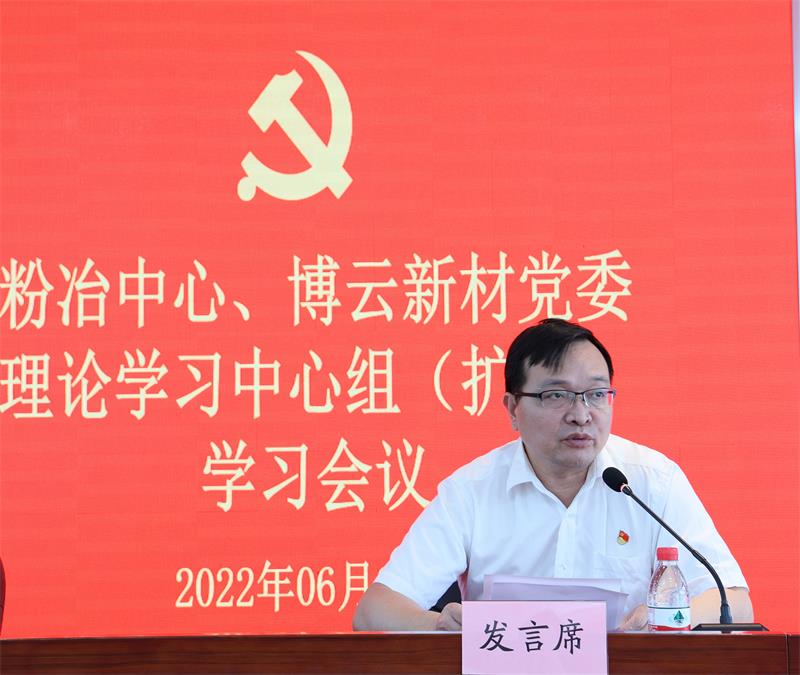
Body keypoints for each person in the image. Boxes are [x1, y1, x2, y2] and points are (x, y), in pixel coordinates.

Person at [353, 319, 753, 631]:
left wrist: (664, 615)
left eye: (596, 394)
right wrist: (440, 626)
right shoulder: (471, 491)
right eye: (556, 395)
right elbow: (374, 611)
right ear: (513, 408)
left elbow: (733, 602)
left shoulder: (652, 482)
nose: (581, 414)